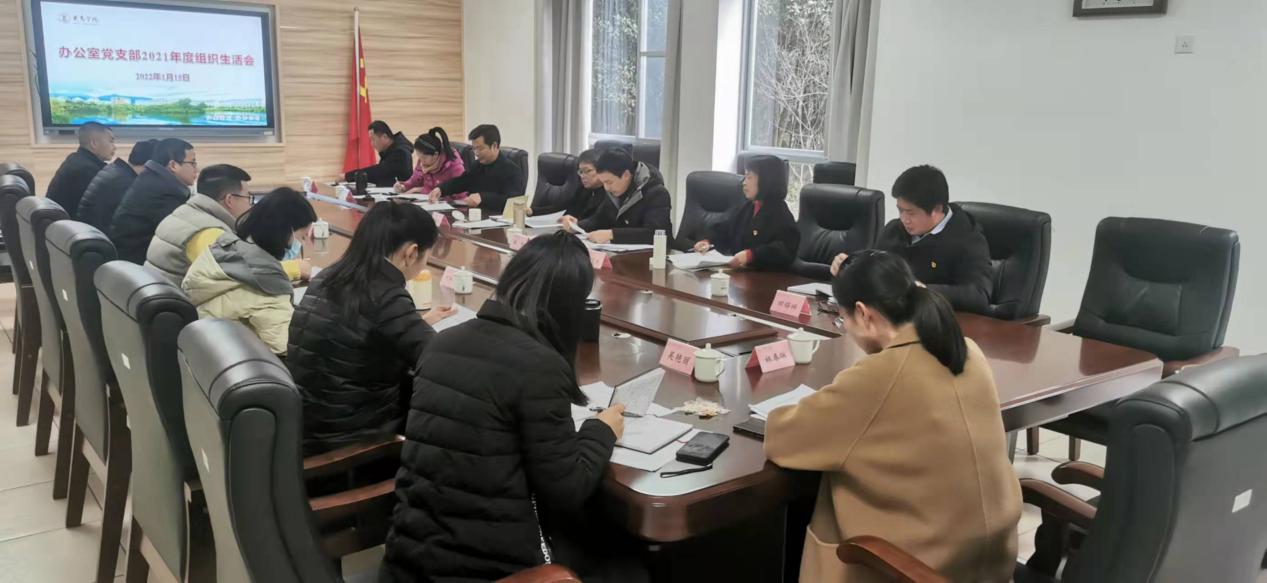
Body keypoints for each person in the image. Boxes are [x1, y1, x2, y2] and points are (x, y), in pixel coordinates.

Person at [382, 232, 633, 583]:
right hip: (484, 571)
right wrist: (601, 430)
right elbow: (568, 489)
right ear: (569, 307)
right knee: (629, 567)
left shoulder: (442, 343)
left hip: (407, 563)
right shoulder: (539, 366)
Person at [765, 250, 1020, 583]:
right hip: (991, 562)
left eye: (843, 319)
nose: (846, 329)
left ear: (863, 314)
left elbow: (783, 438)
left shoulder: (880, 375)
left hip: (918, 568)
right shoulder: (968, 349)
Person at [288, 202, 456, 455]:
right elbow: (437, 360)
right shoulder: (386, 294)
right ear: (411, 252)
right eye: (427, 257)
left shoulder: (329, 275)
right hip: (350, 439)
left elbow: (364, 329)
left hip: (309, 424)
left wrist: (418, 323)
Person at [828, 165, 992, 313]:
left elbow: (979, 295)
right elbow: (876, 269)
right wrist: (850, 267)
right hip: (894, 318)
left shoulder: (967, 239)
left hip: (939, 323)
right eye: (900, 210)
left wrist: (923, 290)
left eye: (911, 213)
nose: (904, 219)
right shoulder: (894, 230)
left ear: (937, 209)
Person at [182, 187, 316, 355]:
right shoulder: (267, 287)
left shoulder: (223, 249)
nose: (301, 244)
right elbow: (286, 348)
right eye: (302, 237)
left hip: (205, 351)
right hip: (236, 358)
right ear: (286, 233)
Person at [145, 164, 311, 285]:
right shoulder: (209, 233)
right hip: (189, 314)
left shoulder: (186, 213)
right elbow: (243, 275)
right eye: (248, 197)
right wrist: (296, 269)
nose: (250, 205)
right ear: (230, 200)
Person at [690, 154, 800, 270]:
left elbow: (784, 250)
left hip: (767, 277)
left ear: (765, 181)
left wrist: (752, 255)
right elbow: (727, 230)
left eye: (749, 177)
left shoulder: (780, 213)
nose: (744, 182)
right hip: (743, 274)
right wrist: (708, 241)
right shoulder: (748, 207)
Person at [111, 138, 198, 264]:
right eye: (192, 163)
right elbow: (183, 233)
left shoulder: (152, 178)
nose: (196, 168)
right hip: (136, 262)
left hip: (129, 256)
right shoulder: (163, 192)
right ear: (173, 165)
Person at [560, 148, 671, 245]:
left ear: (626, 175)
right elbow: (599, 219)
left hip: (656, 256)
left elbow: (655, 233)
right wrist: (576, 226)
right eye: (603, 182)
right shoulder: (614, 191)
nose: (606, 188)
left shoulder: (656, 193)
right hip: (623, 253)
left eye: (609, 182)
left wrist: (612, 234)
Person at [427, 124, 526, 214]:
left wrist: (483, 198)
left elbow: (512, 202)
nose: (476, 153)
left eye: (480, 148)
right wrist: (441, 189)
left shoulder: (512, 171)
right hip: (475, 217)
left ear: (494, 146)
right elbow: (462, 181)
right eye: (474, 149)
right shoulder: (477, 165)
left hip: (498, 221)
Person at [78, 138, 157, 234]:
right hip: (101, 238)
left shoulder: (116, 169)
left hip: (90, 233)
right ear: (151, 164)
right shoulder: (126, 184)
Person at [46, 122, 114, 218]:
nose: (114, 147)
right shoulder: (87, 170)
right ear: (94, 143)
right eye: (111, 141)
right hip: (69, 225)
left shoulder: (75, 159)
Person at [528, 148, 605, 218]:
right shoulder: (584, 189)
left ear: (601, 170)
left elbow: (595, 221)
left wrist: (576, 223)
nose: (582, 176)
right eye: (581, 172)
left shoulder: (608, 195)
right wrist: (533, 211)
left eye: (587, 171)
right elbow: (563, 207)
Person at [393, 127, 466, 198]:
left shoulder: (455, 166)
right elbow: (414, 181)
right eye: (419, 157)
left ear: (435, 154)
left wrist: (421, 190)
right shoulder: (422, 162)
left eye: (424, 157)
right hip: (426, 202)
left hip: (446, 205)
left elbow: (460, 195)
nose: (421, 161)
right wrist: (404, 186)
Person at [344, 120, 414, 186]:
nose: (372, 144)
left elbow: (379, 172)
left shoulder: (400, 153)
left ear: (384, 137)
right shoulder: (389, 151)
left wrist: (347, 176)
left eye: (373, 139)